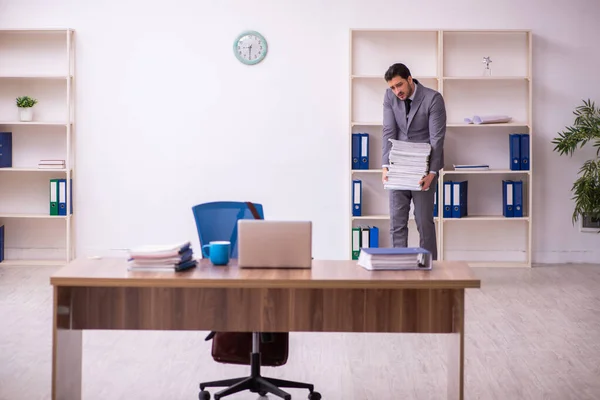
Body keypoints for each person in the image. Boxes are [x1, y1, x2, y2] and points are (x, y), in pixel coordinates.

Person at [381, 63, 446, 260]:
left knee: (423, 221)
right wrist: (385, 167)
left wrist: (432, 172)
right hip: (399, 166)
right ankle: (398, 268)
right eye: (392, 87)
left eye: (399, 85)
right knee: (397, 222)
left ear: (410, 79)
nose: (397, 91)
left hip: (424, 168)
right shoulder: (389, 97)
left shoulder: (433, 98)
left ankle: (429, 270)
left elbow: (437, 138)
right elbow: (388, 132)